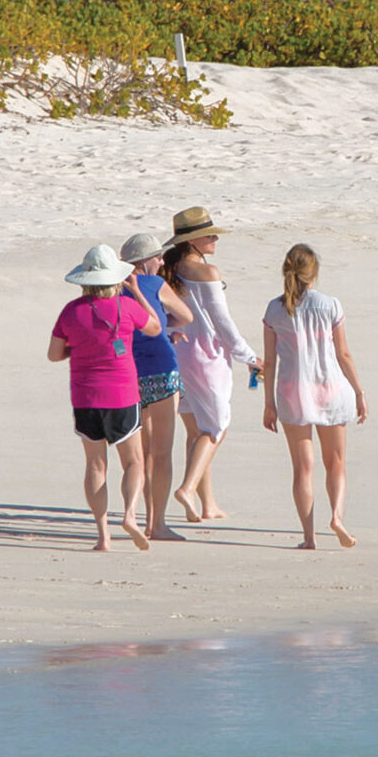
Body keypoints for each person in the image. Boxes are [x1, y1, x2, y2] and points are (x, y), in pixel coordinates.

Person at [48, 244, 160, 552]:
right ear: (116, 278)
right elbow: (155, 327)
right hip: (123, 394)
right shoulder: (127, 307)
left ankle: (103, 535)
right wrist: (137, 292)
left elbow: (53, 354)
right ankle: (130, 516)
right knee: (134, 461)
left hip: (85, 397)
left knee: (96, 465)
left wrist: (79, 349)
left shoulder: (71, 311)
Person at [260, 242, 368, 549]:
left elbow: (269, 362)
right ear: (313, 273)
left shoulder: (273, 309)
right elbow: (343, 353)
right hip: (330, 388)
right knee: (336, 462)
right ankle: (336, 517)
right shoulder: (330, 305)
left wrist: (268, 404)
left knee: (302, 468)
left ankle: (309, 537)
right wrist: (359, 391)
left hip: (293, 392)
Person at [162, 206, 261, 522]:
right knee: (217, 428)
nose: (216, 238)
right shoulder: (207, 273)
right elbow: (223, 323)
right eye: (209, 234)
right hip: (207, 357)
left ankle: (207, 505)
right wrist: (249, 356)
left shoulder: (168, 268)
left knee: (196, 431)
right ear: (192, 241)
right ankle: (187, 489)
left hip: (179, 354)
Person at [118, 232, 196, 541]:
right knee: (162, 454)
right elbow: (186, 315)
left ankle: (135, 515)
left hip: (128, 374)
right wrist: (166, 329)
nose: (162, 262)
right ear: (144, 262)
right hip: (161, 371)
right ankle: (157, 523)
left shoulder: (112, 290)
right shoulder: (154, 285)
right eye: (158, 257)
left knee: (142, 453)